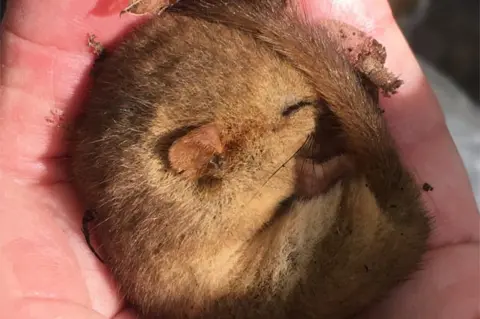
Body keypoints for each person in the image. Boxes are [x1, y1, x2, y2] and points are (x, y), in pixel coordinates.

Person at [0, 0, 478, 318]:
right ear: (211, 160)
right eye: (296, 109)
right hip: (277, 282)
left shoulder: (141, 166)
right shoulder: (193, 206)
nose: (317, 106)